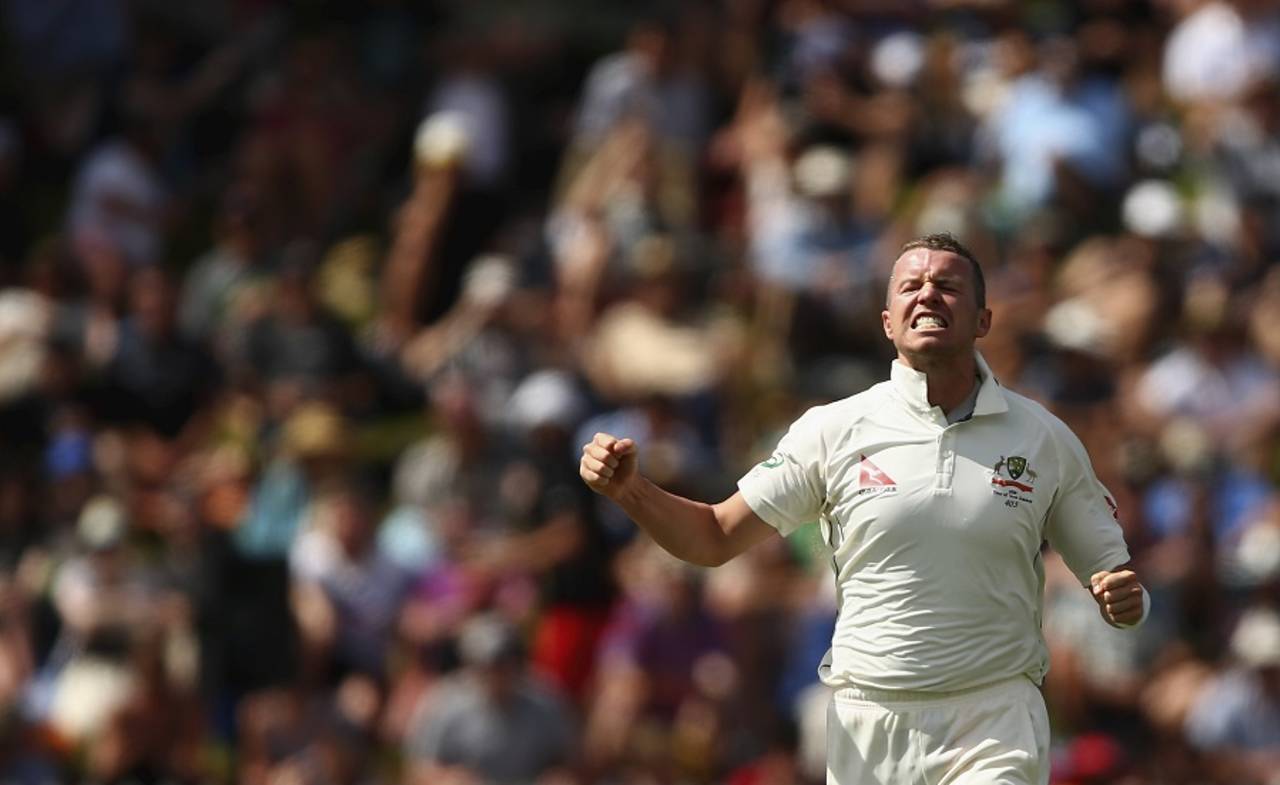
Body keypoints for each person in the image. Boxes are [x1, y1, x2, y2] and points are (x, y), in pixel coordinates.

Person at [579, 232, 1149, 785]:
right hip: (869, 722)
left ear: (983, 320)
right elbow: (712, 536)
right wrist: (632, 492)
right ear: (886, 322)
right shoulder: (832, 430)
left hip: (994, 717)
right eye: (911, 286)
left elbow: (1113, 576)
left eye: (948, 286)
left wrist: (1125, 600)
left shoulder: (1042, 437)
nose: (927, 294)